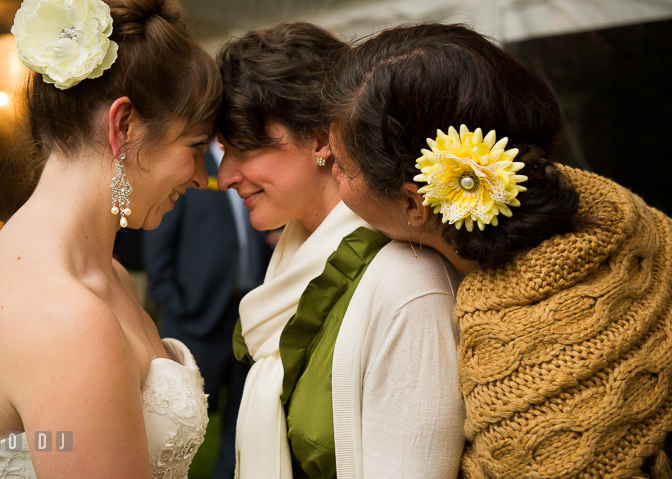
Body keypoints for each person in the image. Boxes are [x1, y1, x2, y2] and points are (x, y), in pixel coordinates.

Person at [326, 22, 672, 479]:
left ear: (413, 203)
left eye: (340, 166)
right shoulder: (640, 227)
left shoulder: (531, 379)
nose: (329, 176)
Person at [0, 0, 221, 477]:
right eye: (195, 147)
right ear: (123, 126)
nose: (202, 177)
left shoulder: (105, 272)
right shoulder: (63, 316)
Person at [216, 21, 465, 479]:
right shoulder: (292, 259)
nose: (225, 175)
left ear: (319, 139)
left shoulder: (410, 282)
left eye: (245, 148)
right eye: (222, 152)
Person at [143, 139, 272, 479]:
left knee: (242, 415)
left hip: (248, 315)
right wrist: (171, 298)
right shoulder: (194, 173)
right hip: (195, 315)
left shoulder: (254, 174)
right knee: (183, 421)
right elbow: (160, 239)